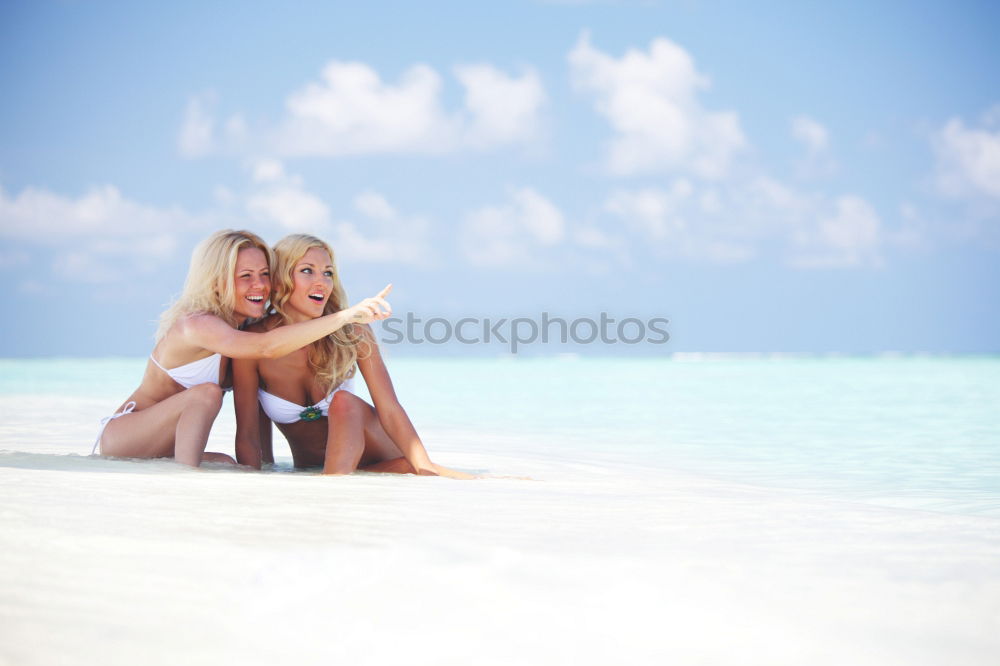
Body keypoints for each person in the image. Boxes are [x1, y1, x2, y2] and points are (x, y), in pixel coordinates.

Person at [94, 229, 393, 467]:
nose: (259, 286)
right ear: (217, 282)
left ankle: (184, 473)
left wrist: (264, 472)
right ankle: (185, 482)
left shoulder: (241, 330)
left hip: (165, 446)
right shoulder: (198, 324)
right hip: (126, 437)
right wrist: (345, 316)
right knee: (206, 395)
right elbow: (265, 347)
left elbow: (257, 417)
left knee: (228, 465)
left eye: (265, 275)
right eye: (245, 277)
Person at [232, 233, 471, 479]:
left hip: (371, 457)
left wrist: (425, 466)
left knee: (344, 402)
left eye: (327, 273)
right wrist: (254, 488)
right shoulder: (254, 344)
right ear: (280, 279)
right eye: (307, 271)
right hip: (325, 471)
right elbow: (248, 434)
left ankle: (334, 486)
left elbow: (389, 408)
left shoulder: (352, 329)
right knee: (458, 481)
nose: (322, 282)